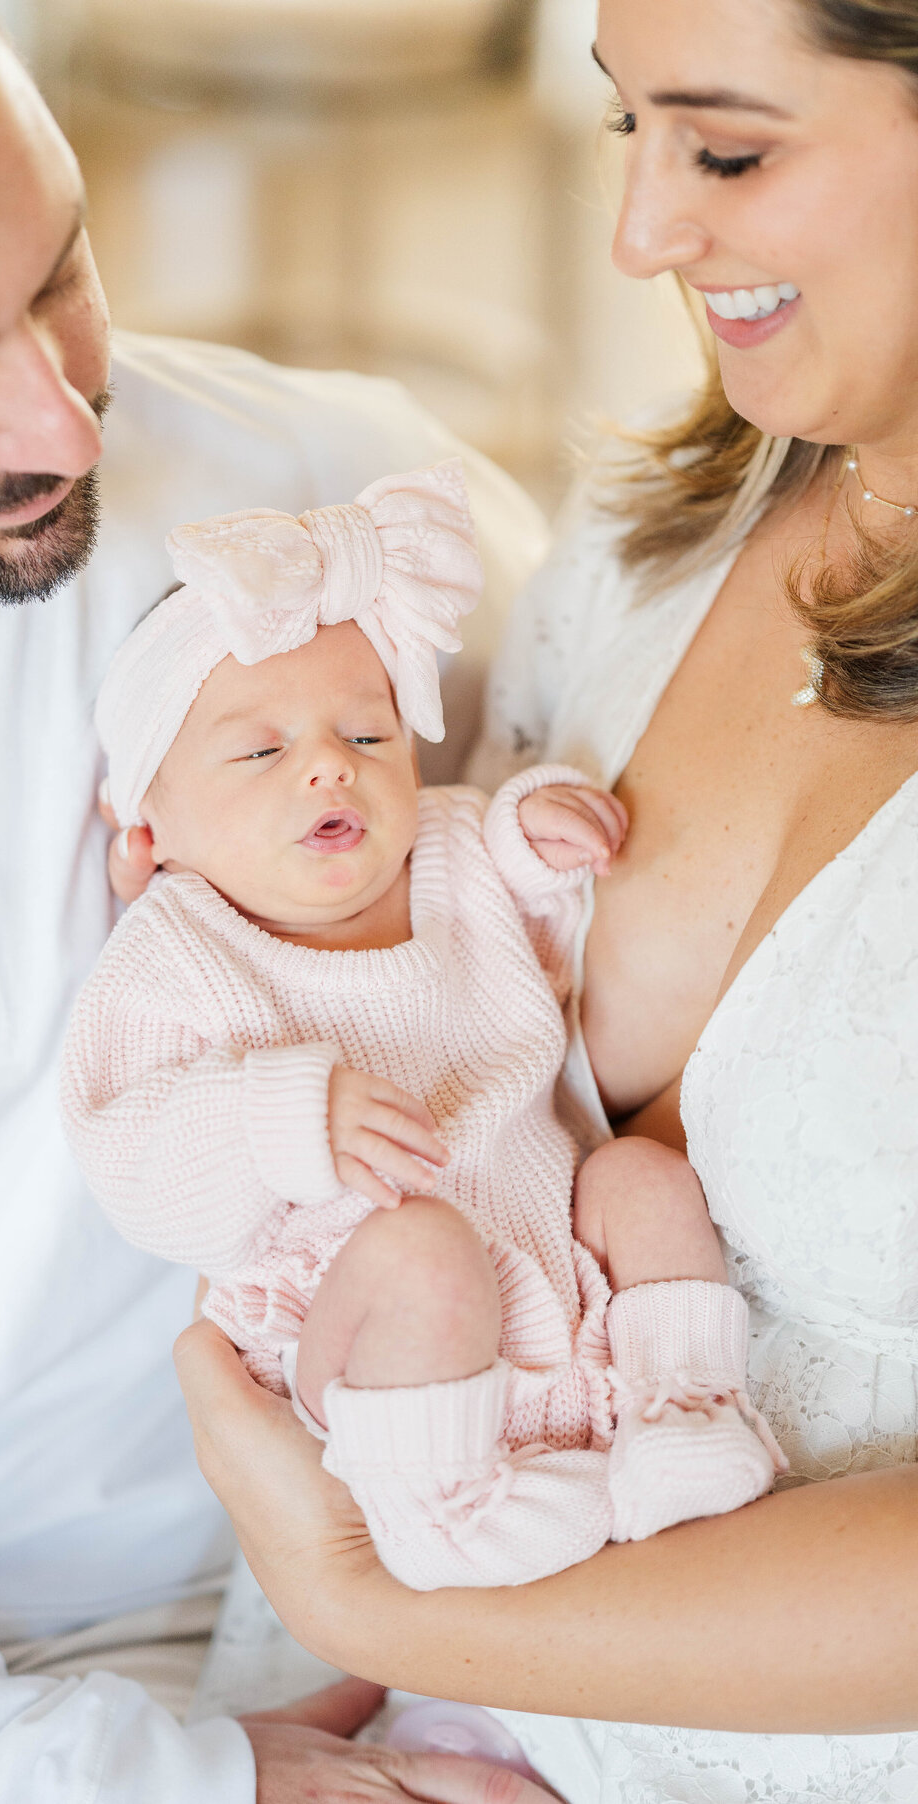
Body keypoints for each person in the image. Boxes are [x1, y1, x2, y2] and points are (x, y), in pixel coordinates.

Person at [0, 2, 552, 1799]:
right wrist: (198, 1781)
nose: (64, 416)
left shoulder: (308, 500)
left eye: (63, 268)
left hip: (436, 1549)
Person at [167, 0, 918, 1798]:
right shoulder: (654, 533)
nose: (643, 234)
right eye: (625, 130)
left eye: (728, 148)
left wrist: (387, 1606)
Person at [63, 458, 783, 1597]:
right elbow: (134, 1160)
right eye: (259, 751)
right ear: (149, 819)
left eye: (367, 734)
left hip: (553, 1255)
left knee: (644, 1177)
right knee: (420, 1250)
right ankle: (444, 1507)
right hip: (367, 1329)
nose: (324, 768)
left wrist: (540, 838)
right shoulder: (177, 955)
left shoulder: (445, 848)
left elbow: (527, 915)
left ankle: (681, 1407)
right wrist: (284, 1112)